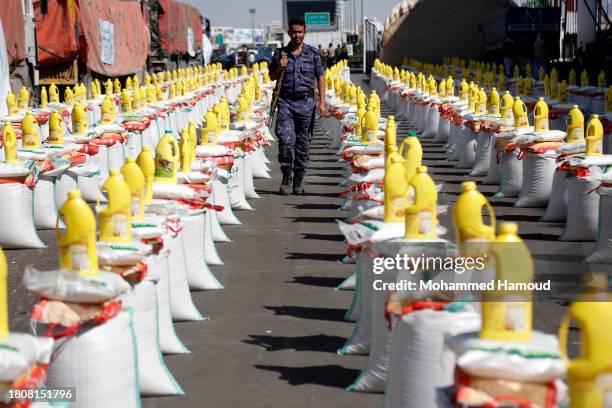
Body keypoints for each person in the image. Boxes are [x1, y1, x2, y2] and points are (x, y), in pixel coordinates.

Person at [269, 17, 326, 195]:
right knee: (286, 142)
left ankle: (298, 180)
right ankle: (287, 177)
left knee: (303, 145)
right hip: (286, 103)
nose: (297, 35)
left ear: (305, 32)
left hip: (306, 104)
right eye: (293, 32)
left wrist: (322, 102)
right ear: (289, 33)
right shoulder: (281, 53)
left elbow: (321, 77)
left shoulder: (313, 53)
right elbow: (271, 76)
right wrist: (280, 66)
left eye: (300, 32)